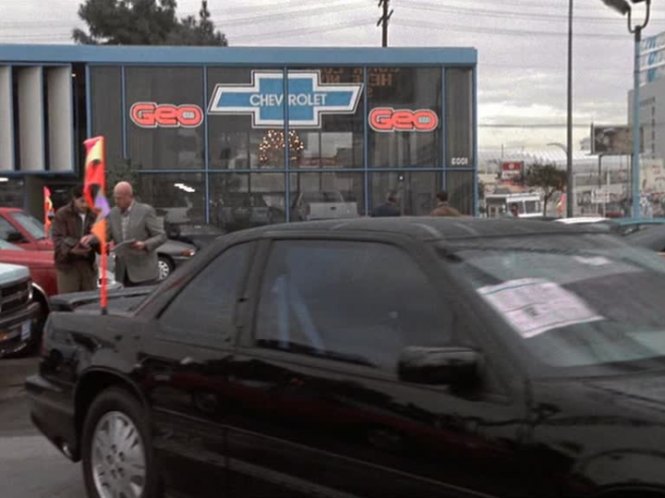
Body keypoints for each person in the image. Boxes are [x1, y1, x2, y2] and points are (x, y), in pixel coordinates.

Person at [108, 181, 166, 287]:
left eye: (119, 198)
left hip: (145, 273)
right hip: (123, 272)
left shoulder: (145, 211)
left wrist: (144, 244)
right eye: (115, 198)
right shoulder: (113, 213)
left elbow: (161, 236)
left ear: (129, 197)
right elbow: (107, 235)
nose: (116, 201)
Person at [51, 185, 99, 293]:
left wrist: (94, 238)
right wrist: (73, 248)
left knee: (89, 299)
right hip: (67, 266)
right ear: (74, 199)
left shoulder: (93, 214)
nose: (85, 205)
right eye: (82, 201)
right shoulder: (62, 214)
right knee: (69, 299)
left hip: (88, 266)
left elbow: (103, 238)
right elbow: (57, 239)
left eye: (88, 201)